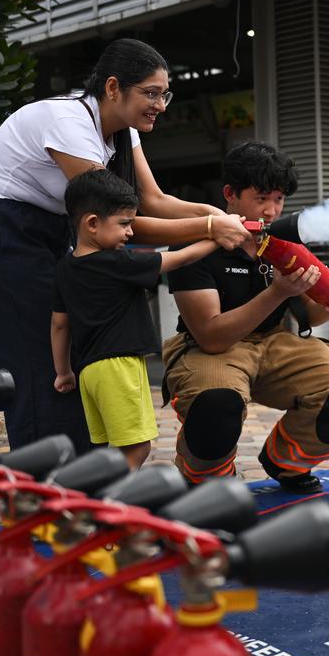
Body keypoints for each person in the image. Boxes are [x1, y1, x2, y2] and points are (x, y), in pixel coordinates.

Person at [0, 38, 249, 453]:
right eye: (151, 93)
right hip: (6, 233)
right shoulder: (69, 124)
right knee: (38, 357)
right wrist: (209, 228)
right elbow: (124, 224)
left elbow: (154, 201)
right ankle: (48, 487)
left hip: (56, 229)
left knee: (77, 348)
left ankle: (82, 474)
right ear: (113, 88)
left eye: (164, 93)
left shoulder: (123, 131)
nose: (161, 105)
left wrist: (215, 214)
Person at [162, 141, 329, 493]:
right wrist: (276, 292)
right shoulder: (193, 243)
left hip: (273, 343)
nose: (272, 211)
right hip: (208, 349)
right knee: (217, 401)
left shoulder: (282, 243)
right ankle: (207, 476)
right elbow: (211, 336)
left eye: (279, 199)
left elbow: (311, 315)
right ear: (230, 194)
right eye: (261, 198)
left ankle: (286, 462)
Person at [51, 170, 217, 469]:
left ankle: (96, 499)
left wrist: (62, 371)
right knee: (136, 448)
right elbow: (179, 259)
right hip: (119, 367)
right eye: (125, 224)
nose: (130, 232)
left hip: (88, 371)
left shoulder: (65, 267)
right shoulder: (116, 262)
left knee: (104, 448)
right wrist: (218, 237)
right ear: (92, 223)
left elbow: (60, 324)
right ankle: (113, 505)